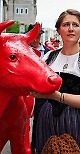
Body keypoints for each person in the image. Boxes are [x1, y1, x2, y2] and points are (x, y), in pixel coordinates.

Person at [30, 9, 80, 153]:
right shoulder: (49, 57)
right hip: (48, 119)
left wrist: (56, 96)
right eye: (66, 25)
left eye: (75, 25)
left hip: (79, 122)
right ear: (58, 30)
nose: (71, 29)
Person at [27, 24, 50, 153]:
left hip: (42, 91)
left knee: (40, 118)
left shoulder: (48, 52)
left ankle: (36, 144)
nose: (36, 39)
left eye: (38, 36)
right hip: (26, 91)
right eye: (33, 36)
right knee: (23, 121)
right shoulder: (24, 50)